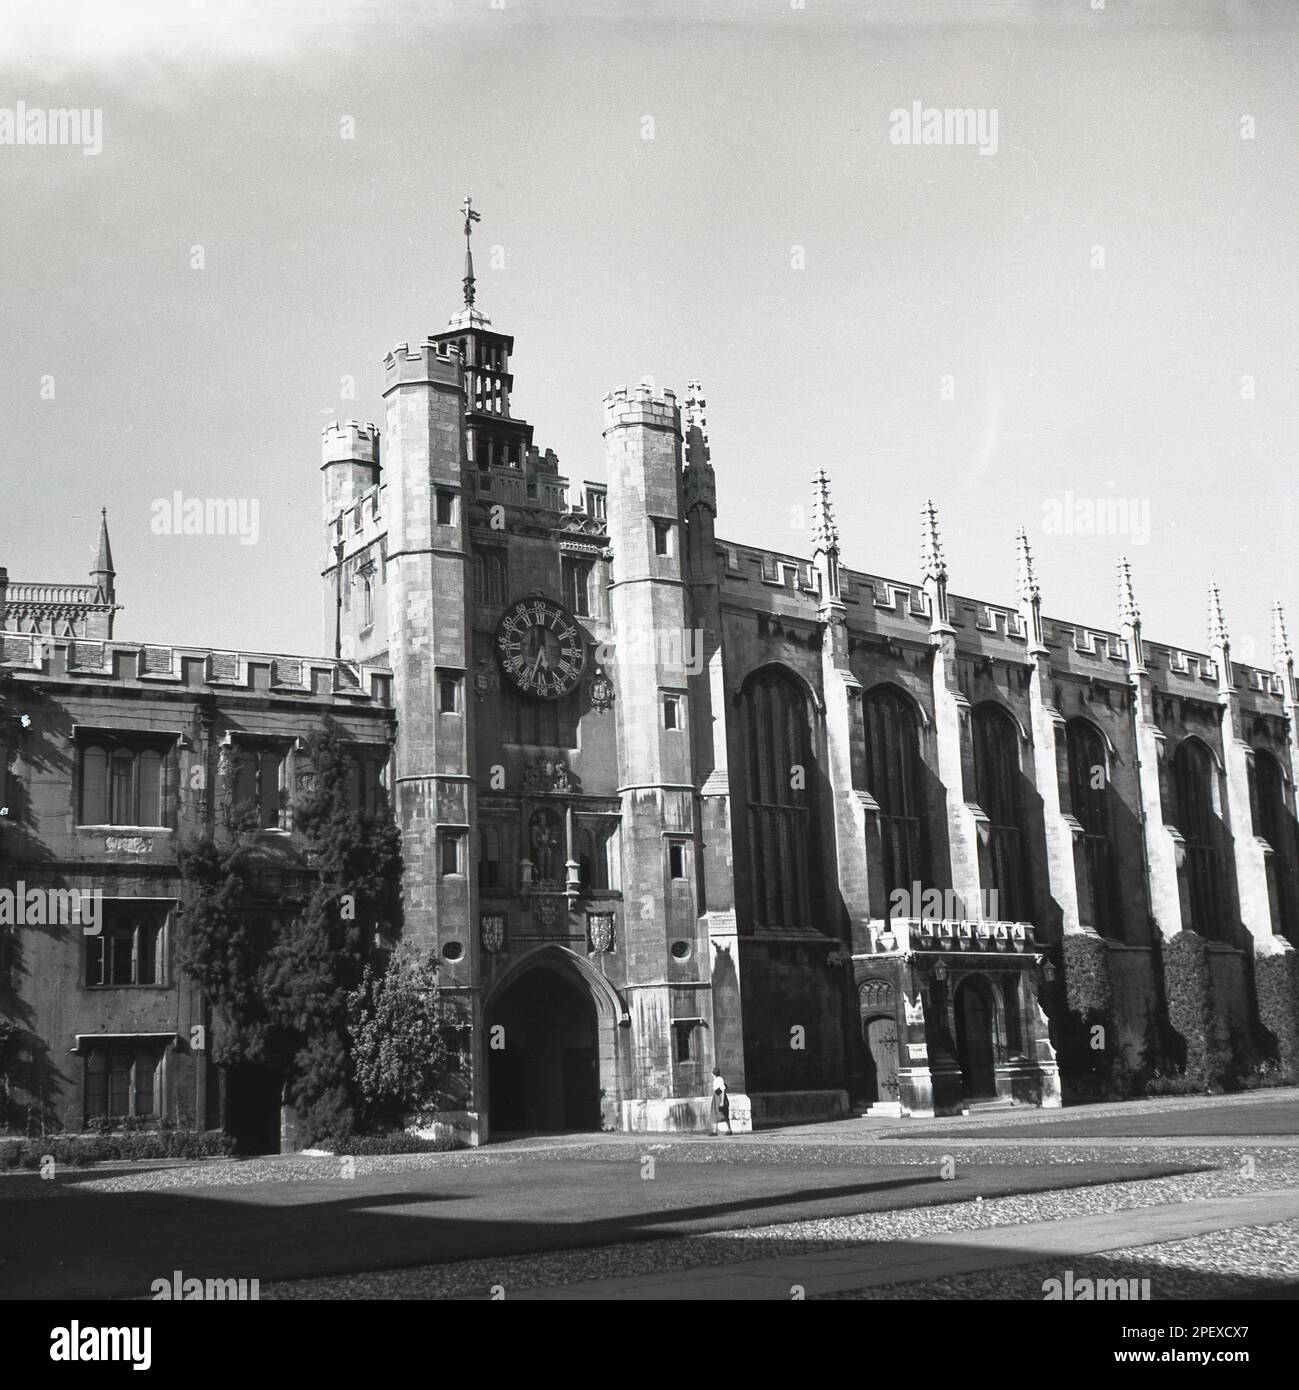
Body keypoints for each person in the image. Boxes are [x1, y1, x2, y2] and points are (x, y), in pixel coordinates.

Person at [710, 1067, 733, 1136]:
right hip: (716, 1097)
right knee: (715, 1113)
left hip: (719, 1097)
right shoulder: (716, 1079)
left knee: (724, 1113)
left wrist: (722, 1101)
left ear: (713, 1073)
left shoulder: (719, 1079)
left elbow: (723, 1090)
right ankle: (714, 1130)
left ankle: (729, 1129)